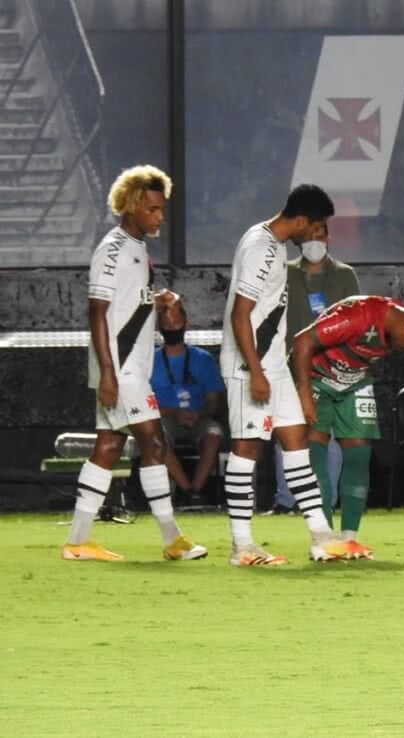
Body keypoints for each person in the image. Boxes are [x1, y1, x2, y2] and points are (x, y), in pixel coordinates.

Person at [62, 164, 207, 562]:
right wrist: (108, 374)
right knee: (155, 443)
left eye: (162, 209)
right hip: (121, 369)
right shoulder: (112, 250)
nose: (159, 216)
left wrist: (154, 301)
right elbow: (97, 312)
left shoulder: (137, 249)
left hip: (128, 368)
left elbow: (125, 305)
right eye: (153, 209)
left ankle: (77, 542)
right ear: (130, 205)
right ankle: (172, 539)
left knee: (109, 446)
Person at [219, 183, 340, 566]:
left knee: (296, 441)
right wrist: (254, 371)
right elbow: (241, 314)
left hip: (273, 364)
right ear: (301, 220)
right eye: (316, 227)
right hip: (249, 366)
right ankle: (241, 545)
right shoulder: (261, 248)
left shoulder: (267, 242)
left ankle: (322, 537)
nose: (316, 235)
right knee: (246, 448)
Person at [292, 296, 404, 558]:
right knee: (316, 454)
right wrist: (304, 393)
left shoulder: (396, 323)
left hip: (355, 381)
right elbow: (302, 341)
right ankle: (322, 538)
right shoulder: (359, 315)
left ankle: (349, 539)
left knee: (359, 454)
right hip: (316, 379)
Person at [267, 237, 360, 515]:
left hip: (333, 367)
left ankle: (325, 501)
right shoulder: (283, 272)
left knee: (328, 434)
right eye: (309, 234)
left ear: (328, 237)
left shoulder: (344, 274)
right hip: (288, 365)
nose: (314, 241)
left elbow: (355, 320)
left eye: (321, 233)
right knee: (285, 432)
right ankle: (285, 501)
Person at [151, 301, 225, 503]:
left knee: (213, 434)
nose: (172, 326)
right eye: (166, 322)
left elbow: (213, 400)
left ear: (186, 324)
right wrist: (173, 413)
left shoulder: (203, 358)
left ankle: (197, 489)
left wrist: (200, 415)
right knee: (156, 437)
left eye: (176, 321)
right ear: (159, 328)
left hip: (197, 417)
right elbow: (144, 403)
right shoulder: (149, 360)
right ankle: (185, 489)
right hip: (164, 417)